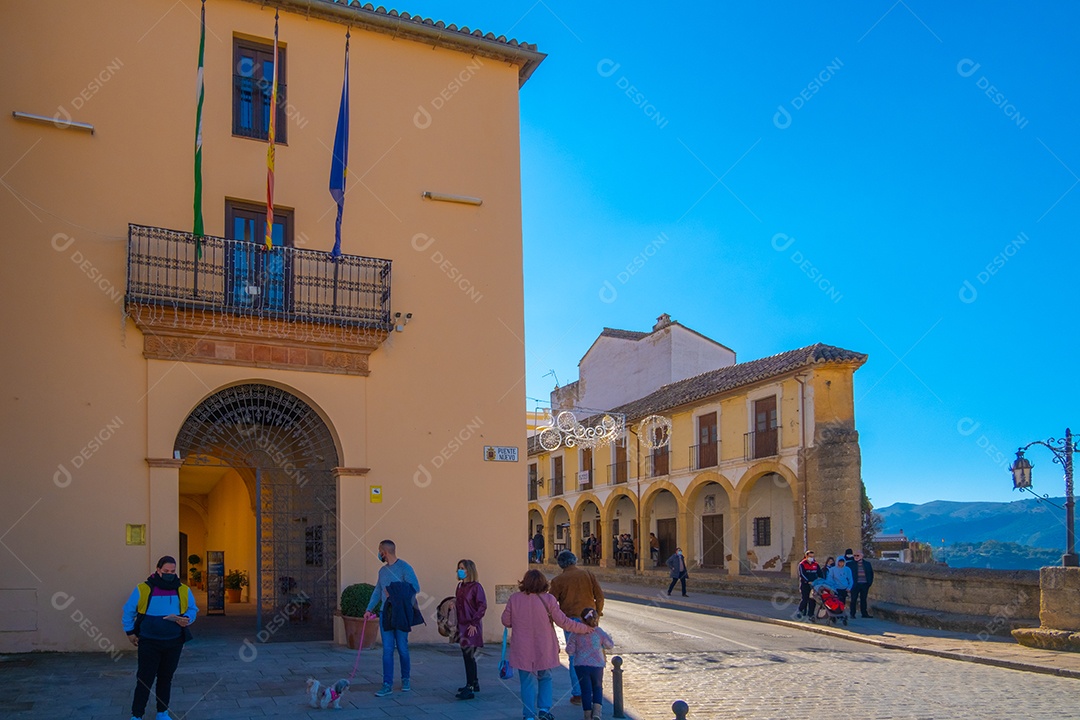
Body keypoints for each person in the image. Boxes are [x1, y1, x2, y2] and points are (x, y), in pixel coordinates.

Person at [502, 569, 594, 720]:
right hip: (544, 646)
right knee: (545, 677)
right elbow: (564, 622)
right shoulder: (549, 600)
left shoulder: (514, 599)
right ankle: (544, 710)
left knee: (526, 682)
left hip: (522, 648)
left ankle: (529, 715)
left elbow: (506, 621)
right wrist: (585, 629)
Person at [122, 555, 198, 720]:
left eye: (172, 571)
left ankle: (162, 712)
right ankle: (137, 715)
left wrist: (187, 618)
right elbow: (129, 610)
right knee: (144, 679)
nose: (170, 574)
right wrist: (130, 632)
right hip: (149, 642)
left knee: (166, 678)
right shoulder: (143, 589)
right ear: (158, 570)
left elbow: (193, 609)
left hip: (174, 642)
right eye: (166, 571)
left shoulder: (183, 589)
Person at [365, 540, 422, 697]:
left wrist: (394, 592)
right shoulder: (382, 571)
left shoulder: (404, 567)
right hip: (386, 613)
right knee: (387, 650)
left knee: (402, 648)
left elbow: (415, 587)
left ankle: (405, 679)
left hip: (401, 613)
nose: (379, 554)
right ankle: (387, 684)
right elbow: (377, 591)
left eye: (379, 551)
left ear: (384, 552)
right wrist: (369, 609)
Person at [549, 550, 605, 706]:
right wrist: (598, 613)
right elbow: (599, 596)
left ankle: (578, 694)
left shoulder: (558, 580)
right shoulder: (587, 574)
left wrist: (553, 622)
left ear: (560, 564)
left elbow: (551, 604)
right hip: (590, 618)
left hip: (571, 621)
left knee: (575, 657)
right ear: (574, 560)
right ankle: (595, 689)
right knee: (594, 654)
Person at [564, 607, 614, 720]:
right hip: (597, 665)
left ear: (581, 619)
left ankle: (587, 715)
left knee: (585, 690)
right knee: (597, 687)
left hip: (580, 665)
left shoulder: (576, 632)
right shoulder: (599, 632)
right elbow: (609, 645)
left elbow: (569, 650)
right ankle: (597, 713)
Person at [454, 559, 487, 700]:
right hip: (461, 624)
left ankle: (470, 686)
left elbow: (482, 605)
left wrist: (474, 622)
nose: (459, 570)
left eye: (462, 568)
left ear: (469, 570)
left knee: (469, 656)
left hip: (471, 625)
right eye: (459, 568)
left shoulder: (476, 587)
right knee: (466, 655)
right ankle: (473, 682)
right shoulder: (460, 586)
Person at [848, 550, 875, 619]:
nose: (856, 557)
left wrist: (869, 583)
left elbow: (871, 574)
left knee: (863, 599)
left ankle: (864, 613)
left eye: (858, 555)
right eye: (855, 556)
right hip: (855, 584)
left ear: (862, 556)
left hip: (864, 584)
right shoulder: (850, 564)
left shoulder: (867, 564)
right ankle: (852, 613)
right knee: (853, 599)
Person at [797, 550, 821, 621]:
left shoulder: (815, 564)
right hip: (805, 585)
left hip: (814, 585)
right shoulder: (802, 564)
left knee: (812, 600)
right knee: (805, 599)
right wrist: (807, 581)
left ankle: (811, 614)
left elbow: (820, 573)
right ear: (806, 556)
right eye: (810, 556)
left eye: (813, 556)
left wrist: (821, 579)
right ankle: (800, 610)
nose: (811, 558)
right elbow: (802, 574)